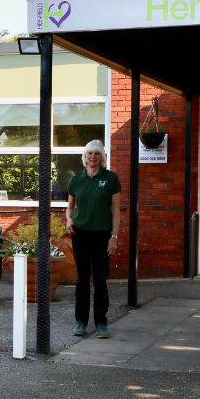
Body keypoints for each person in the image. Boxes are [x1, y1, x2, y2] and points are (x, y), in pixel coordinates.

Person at [65, 140, 121, 339]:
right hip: (81, 234)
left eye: (97, 153)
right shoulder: (76, 180)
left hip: (102, 236)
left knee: (99, 280)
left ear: (102, 156)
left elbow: (116, 211)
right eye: (90, 153)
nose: (93, 157)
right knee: (81, 280)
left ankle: (101, 323)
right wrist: (69, 221)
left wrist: (114, 236)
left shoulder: (110, 178)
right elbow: (70, 207)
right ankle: (80, 322)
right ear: (85, 156)